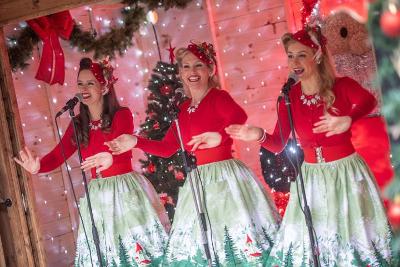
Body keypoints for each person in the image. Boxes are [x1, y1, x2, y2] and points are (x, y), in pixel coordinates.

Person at [226, 26, 392, 266]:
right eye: (290, 55)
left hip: (345, 172)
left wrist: (349, 119)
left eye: (301, 54)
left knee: (354, 238)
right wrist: (258, 134)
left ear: (317, 55)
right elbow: (277, 143)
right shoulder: (288, 97)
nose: (294, 61)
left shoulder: (342, 86)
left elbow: (370, 101)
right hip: (311, 178)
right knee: (315, 240)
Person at [106, 42, 280, 265]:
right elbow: (168, 147)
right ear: (180, 73)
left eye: (198, 66)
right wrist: (135, 141)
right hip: (199, 183)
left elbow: (238, 116)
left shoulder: (218, 97)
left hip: (226, 178)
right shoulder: (184, 108)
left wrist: (220, 136)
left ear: (211, 70)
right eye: (186, 67)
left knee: (238, 238)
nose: (192, 72)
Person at [14, 58, 170, 266]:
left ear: (104, 87)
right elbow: (57, 155)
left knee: (138, 251)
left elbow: (121, 144)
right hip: (98, 196)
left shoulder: (121, 115)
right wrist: (38, 166)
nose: (84, 88)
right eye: (80, 83)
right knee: (108, 253)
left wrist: (110, 159)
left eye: (90, 83)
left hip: (124, 189)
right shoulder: (78, 124)